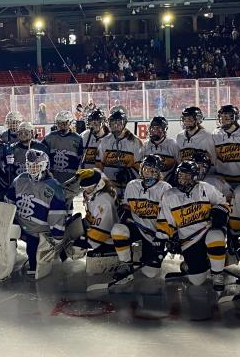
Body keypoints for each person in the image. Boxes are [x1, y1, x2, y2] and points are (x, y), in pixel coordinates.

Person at [156, 160, 231, 292]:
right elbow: (165, 222)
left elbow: (224, 203)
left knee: (216, 235)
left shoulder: (205, 188)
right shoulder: (169, 196)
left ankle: (217, 274)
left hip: (207, 231)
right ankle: (200, 263)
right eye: (180, 175)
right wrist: (167, 239)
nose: (183, 179)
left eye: (187, 176)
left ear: (195, 176)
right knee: (197, 281)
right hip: (189, 240)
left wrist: (219, 212)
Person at [5, 149, 67, 278]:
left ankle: (54, 252)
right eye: (30, 165)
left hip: (41, 232)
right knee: (7, 236)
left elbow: (57, 214)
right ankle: (6, 263)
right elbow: (8, 202)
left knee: (34, 256)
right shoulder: (20, 179)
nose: (32, 169)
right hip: (22, 227)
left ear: (44, 166)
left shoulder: (54, 186)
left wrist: (57, 237)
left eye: (36, 166)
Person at [112, 154, 172, 284]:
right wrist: (123, 221)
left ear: (158, 172)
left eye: (152, 170)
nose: (148, 173)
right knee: (118, 229)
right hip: (137, 226)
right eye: (145, 169)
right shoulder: (132, 185)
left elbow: (169, 217)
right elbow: (126, 209)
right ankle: (126, 263)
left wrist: (162, 238)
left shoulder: (165, 188)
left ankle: (145, 251)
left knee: (150, 273)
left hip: (154, 232)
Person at [44, 111, 84, 207]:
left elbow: (81, 160)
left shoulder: (78, 139)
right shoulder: (49, 137)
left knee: (68, 206)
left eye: (64, 123)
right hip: (53, 178)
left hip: (70, 180)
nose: (61, 126)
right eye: (59, 123)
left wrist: (76, 179)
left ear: (70, 123)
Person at [98, 107, 142, 194]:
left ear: (124, 123)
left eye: (118, 122)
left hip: (128, 189)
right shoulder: (105, 141)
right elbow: (99, 165)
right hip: (108, 189)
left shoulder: (135, 142)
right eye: (113, 123)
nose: (115, 125)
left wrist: (128, 174)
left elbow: (140, 166)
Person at [212, 104, 240, 186]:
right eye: (221, 117)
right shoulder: (216, 133)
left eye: (226, 117)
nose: (222, 120)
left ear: (235, 117)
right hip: (223, 182)